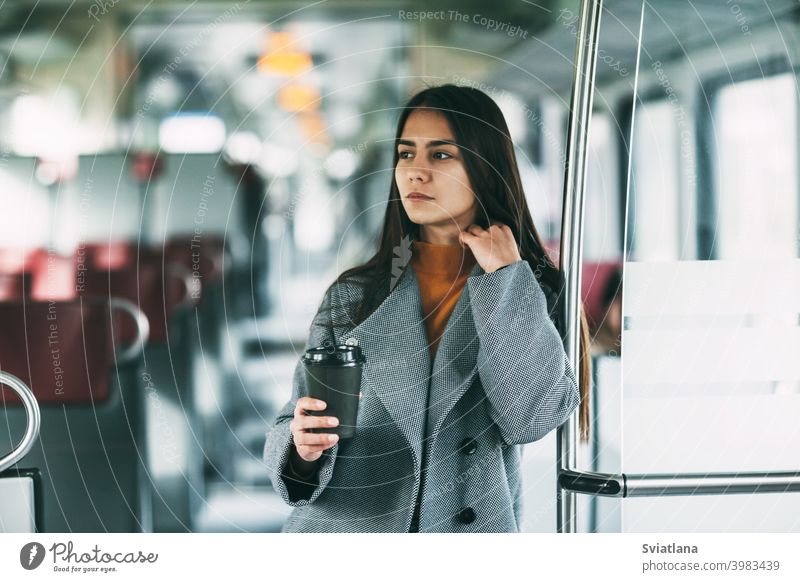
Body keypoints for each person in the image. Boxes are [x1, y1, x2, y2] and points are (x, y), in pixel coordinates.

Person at [263, 83, 592, 533]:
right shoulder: (354, 294)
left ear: (484, 167)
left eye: (440, 155)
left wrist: (503, 277)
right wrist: (300, 449)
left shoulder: (529, 289)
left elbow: (528, 418)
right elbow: (294, 416)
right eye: (405, 154)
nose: (415, 172)